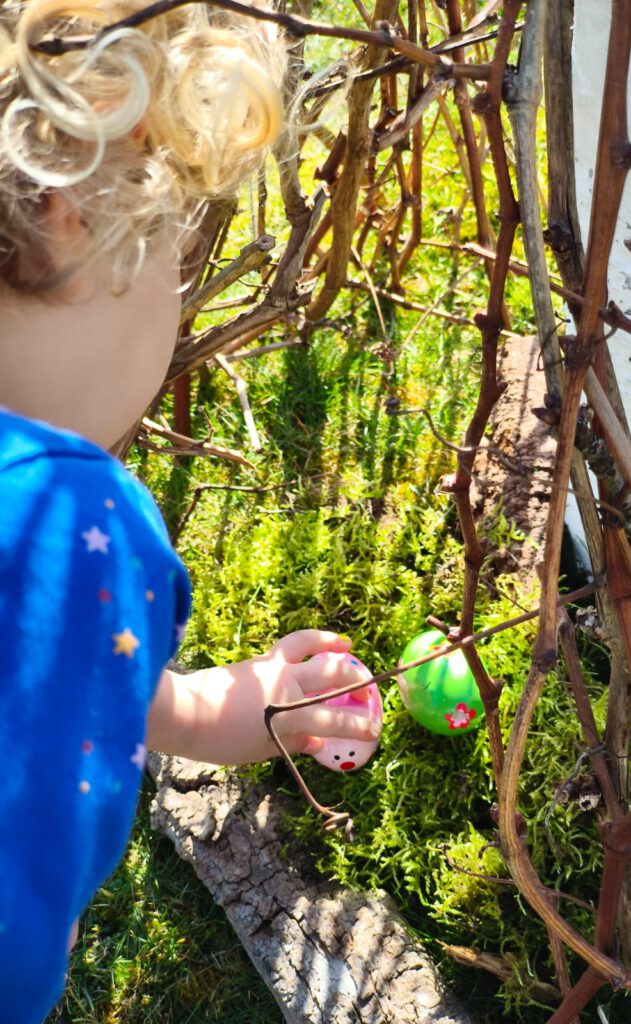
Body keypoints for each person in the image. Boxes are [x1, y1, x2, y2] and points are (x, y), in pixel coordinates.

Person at [0, 2, 379, 1020]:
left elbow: (39, 670)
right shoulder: (72, 521)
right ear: (68, 216)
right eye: (172, 246)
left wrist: (221, 710)